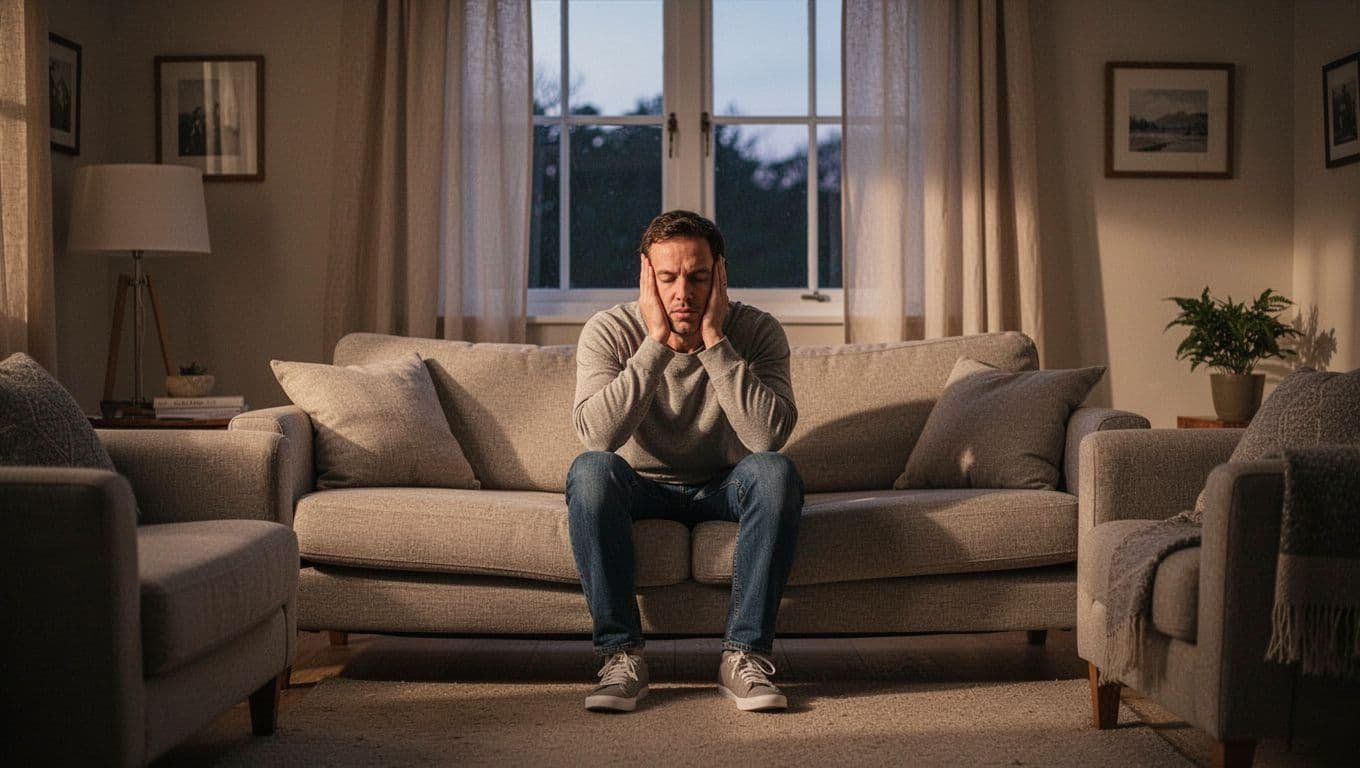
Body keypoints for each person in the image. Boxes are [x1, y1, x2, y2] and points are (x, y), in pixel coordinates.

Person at [567, 210, 804, 714]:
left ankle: (744, 656)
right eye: (668, 277)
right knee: (589, 472)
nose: (683, 293)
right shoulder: (609, 330)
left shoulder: (757, 331)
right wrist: (655, 344)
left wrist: (715, 341)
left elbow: (767, 438)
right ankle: (621, 656)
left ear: (720, 274)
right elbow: (597, 437)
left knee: (776, 473)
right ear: (645, 276)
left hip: (726, 485)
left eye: (697, 277)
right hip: (639, 486)